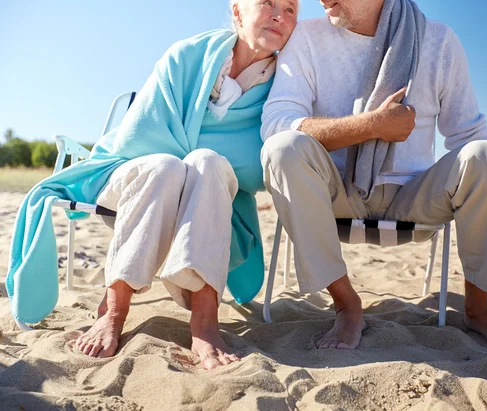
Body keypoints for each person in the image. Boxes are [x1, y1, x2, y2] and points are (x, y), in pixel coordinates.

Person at [7, 0, 297, 371]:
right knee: (166, 166)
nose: (279, 15)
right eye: (268, 3)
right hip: (130, 176)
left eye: (290, 9)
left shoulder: (284, 85)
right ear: (238, 12)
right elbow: (140, 138)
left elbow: (257, 171)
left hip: (209, 194)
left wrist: (199, 152)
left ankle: (205, 323)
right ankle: (112, 311)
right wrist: (200, 154)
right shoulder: (187, 57)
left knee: (206, 162)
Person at [260, 0, 487, 351]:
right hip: (337, 194)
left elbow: (468, 136)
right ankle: (346, 303)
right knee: (282, 147)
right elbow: (277, 123)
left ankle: (478, 310)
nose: (322, 0)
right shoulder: (306, 38)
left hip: (416, 199)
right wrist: (370, 126)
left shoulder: (438, 40)